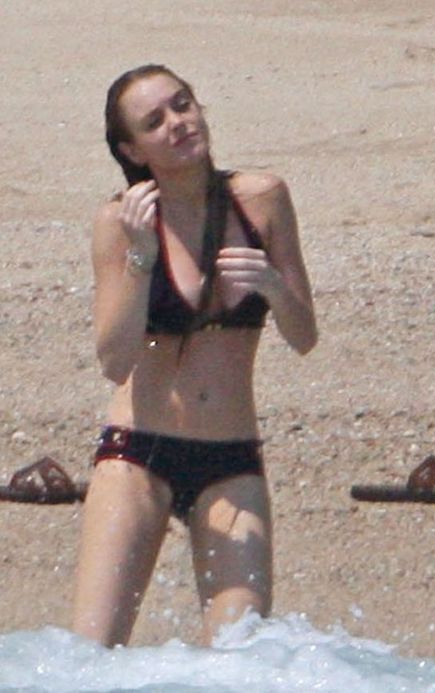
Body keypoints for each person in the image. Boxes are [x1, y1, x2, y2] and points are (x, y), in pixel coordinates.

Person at [72, 64, 318, 647]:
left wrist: (272, 285)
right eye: (154, 121)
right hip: (136, 456)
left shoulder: (262, 199)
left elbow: (304, 334)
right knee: (89, 659)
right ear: (133, 150)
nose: (178, 123)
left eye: (182, 104)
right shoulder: (120, 222)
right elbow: (114, 360)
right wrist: (140, 259)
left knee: (238, 659)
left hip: (231, 459)